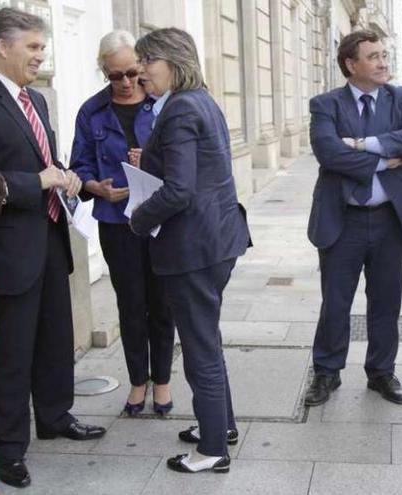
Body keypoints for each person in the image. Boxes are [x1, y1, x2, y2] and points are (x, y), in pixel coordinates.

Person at [0, 7, 105, 488]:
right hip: (10, 248)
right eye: (34, 47)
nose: (42, 56)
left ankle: (57, 416)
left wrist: (68, 177)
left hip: (50, 237)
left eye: (43, 47)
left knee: (55, 338)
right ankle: (7, 449)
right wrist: (35, 181)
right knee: (13, 353)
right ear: (3, 46)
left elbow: (45, 159)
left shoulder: (36, 101)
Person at [130, 27, 251, 473]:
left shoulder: (180, 108)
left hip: (193, 246)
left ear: (174, 62)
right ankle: (222, 425)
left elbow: (179, 190)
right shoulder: (202, 100)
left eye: (148, 61)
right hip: (217, 238)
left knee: (200, 345)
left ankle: (212, 450)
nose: (141, 70)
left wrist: (137, 219)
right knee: (207, 338)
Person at [304, 30, 402, 407]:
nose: (382, 62)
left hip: (391, 218)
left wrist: (360, 145)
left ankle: (381, 372)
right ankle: (327, 372)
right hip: (343, 218)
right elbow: (329, 154)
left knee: (386, 301)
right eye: (373, 56)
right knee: (336, 301)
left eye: (383, 54)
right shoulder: (325, 105)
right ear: (350, 64)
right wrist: (383, 161)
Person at [70, 30, 175, 417]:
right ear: (104, 72)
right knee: (131, 303)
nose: (127, 82)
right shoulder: (92, 112)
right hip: (117, 222)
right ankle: (136, 382)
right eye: (116, 76)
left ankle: (162, 381)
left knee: (162, 303)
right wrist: (95, 186)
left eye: (132, 72)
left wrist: (151, 161)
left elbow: (183, 161)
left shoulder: (163, 104)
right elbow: (78, 165)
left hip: (161, 218)